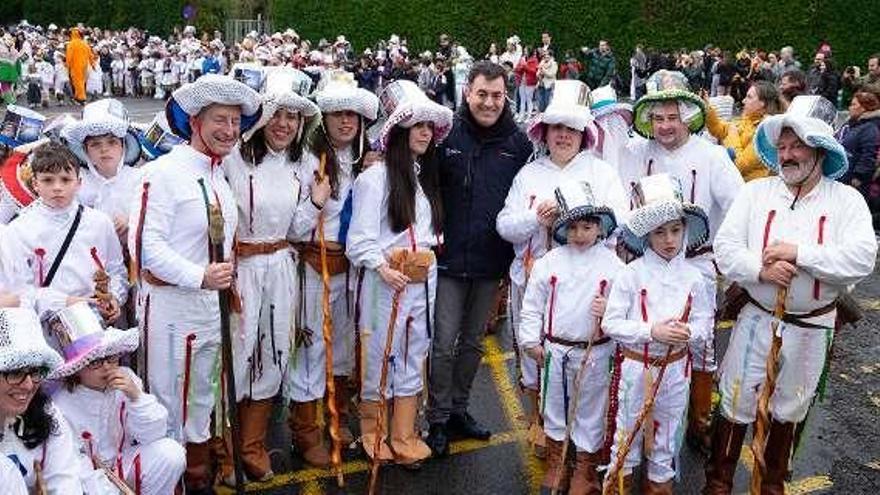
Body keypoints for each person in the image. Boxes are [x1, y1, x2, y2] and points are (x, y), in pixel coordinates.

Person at [707, 95, 878, 494]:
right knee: (734, 401)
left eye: (797, 145)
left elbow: (861, 259)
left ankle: (771, 485)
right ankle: (717, 484)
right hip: (757, 317)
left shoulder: (846, 201)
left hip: (812, 327)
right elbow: (726, 248)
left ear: (820, 149)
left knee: (791, 408)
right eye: (782, 147)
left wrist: (801, 254)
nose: (787, 155)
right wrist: (761, 270)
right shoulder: (756, 194)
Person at [127, 74, 260, 493]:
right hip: (169, 307)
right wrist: (198, 275)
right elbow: (143, 246)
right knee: (168, 399)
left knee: (203, 396)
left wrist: (223, 284)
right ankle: (170, 481)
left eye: (236, 122)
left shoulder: (220, 176)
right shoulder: (162, 172)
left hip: (210, 307)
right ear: (195, 121)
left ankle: (198, 476)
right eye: (220, 119)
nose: (229, 130)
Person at [497, 80, 627, 460]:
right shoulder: (529, 174)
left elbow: (620, 221)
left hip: (586, 286)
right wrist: (535, 220)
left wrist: (581, 223)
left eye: (571, 129)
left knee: (583, 360)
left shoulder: (601, 173)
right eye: (557, 128)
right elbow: (504, 225)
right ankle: (544, 429)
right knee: (535, 355)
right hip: (534, 277)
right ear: (546, 132)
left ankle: (582, 437)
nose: (564, 136)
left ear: (583, 134)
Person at [623, 70, 744, 454]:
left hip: (697, 264)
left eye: (672, 117)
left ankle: (699, 421)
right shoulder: (637, 154)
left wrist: (727, 256)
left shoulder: (711, 156)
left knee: (700, 344)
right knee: (649, 335)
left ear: (688, 116)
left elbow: (739, 207)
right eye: (658, 118)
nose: (665, 126)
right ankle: (644, 417)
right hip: (648, 265)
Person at [425, 61, 533, 456]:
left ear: (506, 96)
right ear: (467, 92)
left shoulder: (519, 145)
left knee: (472, 343)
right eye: (481, 94)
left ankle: (459, 409)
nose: (489, 103)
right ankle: (436, 418)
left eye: (497, 95)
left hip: (490, 263)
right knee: (442, 343)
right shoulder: (445, 135)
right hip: (448, 259)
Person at [219, 67, 318, 482]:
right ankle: (223, 453)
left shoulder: (306, 162)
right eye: (277, 114)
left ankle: (252, 445)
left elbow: (297, 230)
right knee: (233, 358)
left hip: (280, 266)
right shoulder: (234, 158)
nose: (284, 124)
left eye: (293, 117)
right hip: (238, 268)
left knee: (273, 354)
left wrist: (315, 202)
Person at [347, 79, 452, 467]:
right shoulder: (373, 180)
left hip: (421, 283)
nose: (425, 133)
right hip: (383, 285)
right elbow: (359, 241)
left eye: (429, 126)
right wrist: (382, 268)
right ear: (398, 131)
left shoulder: (423, 177)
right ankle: (373, 434)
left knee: (413, 354)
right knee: (379, 355)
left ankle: (404, 434)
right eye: (417, 126)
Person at [286, 73, 377, 467]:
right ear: (324, 118)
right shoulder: (307, 161)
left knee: (342, 348)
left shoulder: (363, 161)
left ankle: (335, 420)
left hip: (350, 269)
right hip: (315, 265)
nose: (345, 122)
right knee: (311, 349)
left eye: (352, 116)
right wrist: (317, 203)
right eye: (338, 114)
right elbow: (293, 226)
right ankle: (305, 434)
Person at [603, 173, 714, 494]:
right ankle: (619, 483)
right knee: (627, 431)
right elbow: (611, 323)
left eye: (676, 230)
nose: (669, 239)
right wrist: (652, 330)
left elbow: (706, 324)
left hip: (677, 369)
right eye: (660, 232)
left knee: (667, 429)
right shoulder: (629, 274)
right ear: (646, 236)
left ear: (685, 231)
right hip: (636, 368)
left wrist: (688, 331)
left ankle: (659, 485)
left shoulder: (694, 277)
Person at [518, 182, 622, 494]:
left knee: (590, 409)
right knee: (554, 406)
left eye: (587, 226)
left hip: (595, 352)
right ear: (563, 227)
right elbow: (532, 305)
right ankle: (557, 462)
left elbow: (625, 311)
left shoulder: (614, 266)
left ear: (600, 227)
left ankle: (585, 469)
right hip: (555, 350)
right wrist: (530, 341)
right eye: (573, 227)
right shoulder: (549, 262)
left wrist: (610, 311)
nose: (579, 234)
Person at [46, 302, 186, 494]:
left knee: (171, 453)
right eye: (94, 362)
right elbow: (70, 462)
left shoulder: (127, 379)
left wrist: (136, 397)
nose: (106, 367)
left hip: (122, 463)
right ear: (76, 369)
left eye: (111, 357)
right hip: (83, 479)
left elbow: (154, 434)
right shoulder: (61, 404)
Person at [2, 141, 127, 322]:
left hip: (95, 321)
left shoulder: (99, 222)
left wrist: (114, 298)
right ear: (35, 184)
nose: (57, 187)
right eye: (48, 180)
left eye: (65, 179)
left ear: (79, 183)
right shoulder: (18, 230)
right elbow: (19, 293)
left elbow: (116, 270)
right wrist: (66, 302)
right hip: (44, 328)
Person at [0, 307, 82, 493]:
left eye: (36, 371)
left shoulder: (46, 412)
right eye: (15, 372)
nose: (29, 385)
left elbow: (65, 480)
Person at [61, 98, 143, 245]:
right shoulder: (77, 182)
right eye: (95, 145)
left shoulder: (139, 178)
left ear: (123, 147)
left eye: (112, 142)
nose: (104, 149)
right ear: (85, 152)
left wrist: (131, 221)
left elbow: (153, 216)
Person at [704, 81, 783, 181]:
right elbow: (718, 129)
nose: (743, 101)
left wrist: (733, 134)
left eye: (749, 97)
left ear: (762, 104)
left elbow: (738, 166)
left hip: (751, 190)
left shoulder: (766, 132)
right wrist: (706, 107)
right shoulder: (748, 119)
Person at [836, 85, 880, 197]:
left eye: (853, 104)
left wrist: (858, 177)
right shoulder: (852, 123)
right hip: (842, 177)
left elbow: (869, 155)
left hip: (853, 183)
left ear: (864, 108)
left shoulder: (870, 128)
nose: (850, 107)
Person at [65, 28, 94, 104]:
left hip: (75, 66)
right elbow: (90, 55)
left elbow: (69, 57)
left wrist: (67, 66)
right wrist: (92, 64)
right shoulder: (84, 43)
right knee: (82, 81)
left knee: (77, 82)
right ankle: (78, 97)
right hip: (84, 66)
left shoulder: (71, 44)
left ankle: (81, 98)